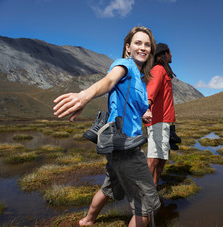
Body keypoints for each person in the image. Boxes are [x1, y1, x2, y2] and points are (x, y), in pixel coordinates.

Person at [53, 26, 160, 227]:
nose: (143, 48)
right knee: (146, 205)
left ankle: (87, 220)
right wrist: (84, 95)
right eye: (138, 43)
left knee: (109, 187)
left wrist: (143, 113)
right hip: (127, 146)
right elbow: (109, 81)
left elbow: (128, 104)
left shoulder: (139, 76)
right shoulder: (124, 65)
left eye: (147, 45)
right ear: (128, 47)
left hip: (116, 146)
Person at [142, 43, 176, 187]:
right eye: (170, 52)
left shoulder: (163, 71)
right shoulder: (158, 70)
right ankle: (146, 193)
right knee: (154, 158)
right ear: (164, 54)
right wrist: (147, 107)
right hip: (157, 121)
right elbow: (151, 91)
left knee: (162, 157)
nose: (172, 55)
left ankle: (154, 186)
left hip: (164, 120)